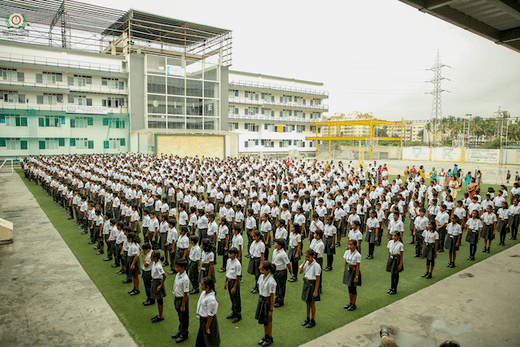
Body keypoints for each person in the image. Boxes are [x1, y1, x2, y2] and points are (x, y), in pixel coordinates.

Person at [255, 261, 276, 346]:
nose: (261, 271)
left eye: (263, 270)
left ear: (268, 271)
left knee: (268, 321)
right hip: (261, 299)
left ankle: (270, 337)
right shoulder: (261, 277)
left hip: (267, 301)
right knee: (264, 320)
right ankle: (266, 336)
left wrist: (271, 309)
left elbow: (272, 297)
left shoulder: (271, 281)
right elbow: (259, 284)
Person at [195, 277, 220, 347]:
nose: (200, 286)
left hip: (208, 321)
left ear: (207, 286)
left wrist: (207, 327)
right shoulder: (204, 293)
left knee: (210, 341)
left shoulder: (211, 300)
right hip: (203, 320)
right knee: (202, 340)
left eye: (202, 285)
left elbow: (210, 315)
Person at [299, 249, 321, 328]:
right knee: (307, 302)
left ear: (313, 256)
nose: (307, 258)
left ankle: (313, 320)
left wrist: (316, 290)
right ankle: (307, 318)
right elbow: (300, 272)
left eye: (308, 257)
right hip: (306, 283)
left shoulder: (316, 265)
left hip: (312, 284)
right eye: (306, 256)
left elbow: (318, 279)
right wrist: (305, 262)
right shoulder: (306, 263)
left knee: (312, 303)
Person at [172, 259, 189, 342]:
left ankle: (184, 333)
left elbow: (185, 293)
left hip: (182, 299)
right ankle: (180, 330)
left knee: (184, 317)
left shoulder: (185, 279)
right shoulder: (178, 274)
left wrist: (183, 305)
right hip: (177, 297)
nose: (176, 268)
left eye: (177, 267)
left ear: (183, 268)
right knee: (180, 316)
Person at [224, 247, 242, 323]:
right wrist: (225, 282)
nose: (229, 255)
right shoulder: (228, 261)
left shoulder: (237, 264)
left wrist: (234, 287)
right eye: (229, 253)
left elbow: (238, 276)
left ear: (235, 254)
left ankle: (238, 315)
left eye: (231, 254)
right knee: (232, 298)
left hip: (235, 282)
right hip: (229, 281)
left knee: (236, 299)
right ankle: (233, 312)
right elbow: (228, 271)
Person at [271, 239, 291, 307]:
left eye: (276, 243)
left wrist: (291, 271)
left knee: (281, 287)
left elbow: (288, 263)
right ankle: (277, 299)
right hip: (275, 271)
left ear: (280, 246)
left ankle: (280, 301)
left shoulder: (283, 254)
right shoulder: (275, 251)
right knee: (276, 286)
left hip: (281, 272)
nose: (274, 244)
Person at [343, 240, 361, 311]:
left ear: (355, 246)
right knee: (349, 287)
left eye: (351, 245)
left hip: (354, 271)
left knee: (354, 288)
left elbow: (358, 267)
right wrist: (345, 272)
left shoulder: (357, 255)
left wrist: (356, 277)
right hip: (348, 269)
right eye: (349, 244)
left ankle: (354, 303)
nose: (350, 246)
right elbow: (345, 263)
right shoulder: (347, 252)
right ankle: (350, 302)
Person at [150, 250, 167, 323]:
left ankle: (160, 315)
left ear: (155, 258)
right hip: (154, 281)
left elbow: (164, 276)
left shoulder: (158, 266)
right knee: (158, 299)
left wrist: (160, 285)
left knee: (159, 299)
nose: (150, 257)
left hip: (157, 282)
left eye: (151, 256)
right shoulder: (155, 263)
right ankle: (159, 314)